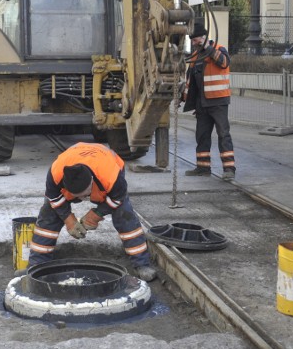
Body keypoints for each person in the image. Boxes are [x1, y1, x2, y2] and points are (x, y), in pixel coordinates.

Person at [27, 142, 158, 282]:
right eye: (76, 195)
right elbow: (54, 198)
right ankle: (37, 265)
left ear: (91, 182)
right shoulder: (55, 173)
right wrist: (68, 219)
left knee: (124, 215)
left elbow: (117, 198)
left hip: (104, 167)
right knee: (49, 213)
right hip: (75, 161)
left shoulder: (111, 177)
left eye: (84, 194)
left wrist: (95, 215)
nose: (81, 199)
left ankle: (142, 264)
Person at [181, 23, 236, 180]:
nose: (193, 43)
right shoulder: (195, 57)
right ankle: (203, 167)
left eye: (195, 39)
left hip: (218, 102)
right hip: (202, 104)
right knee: (202, 136)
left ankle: (229, 169)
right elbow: (191, 83)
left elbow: (224, 62)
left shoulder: (218, 49)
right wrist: (183, 98)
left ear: (203, 38)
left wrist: (208, 48)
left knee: (223, 134)